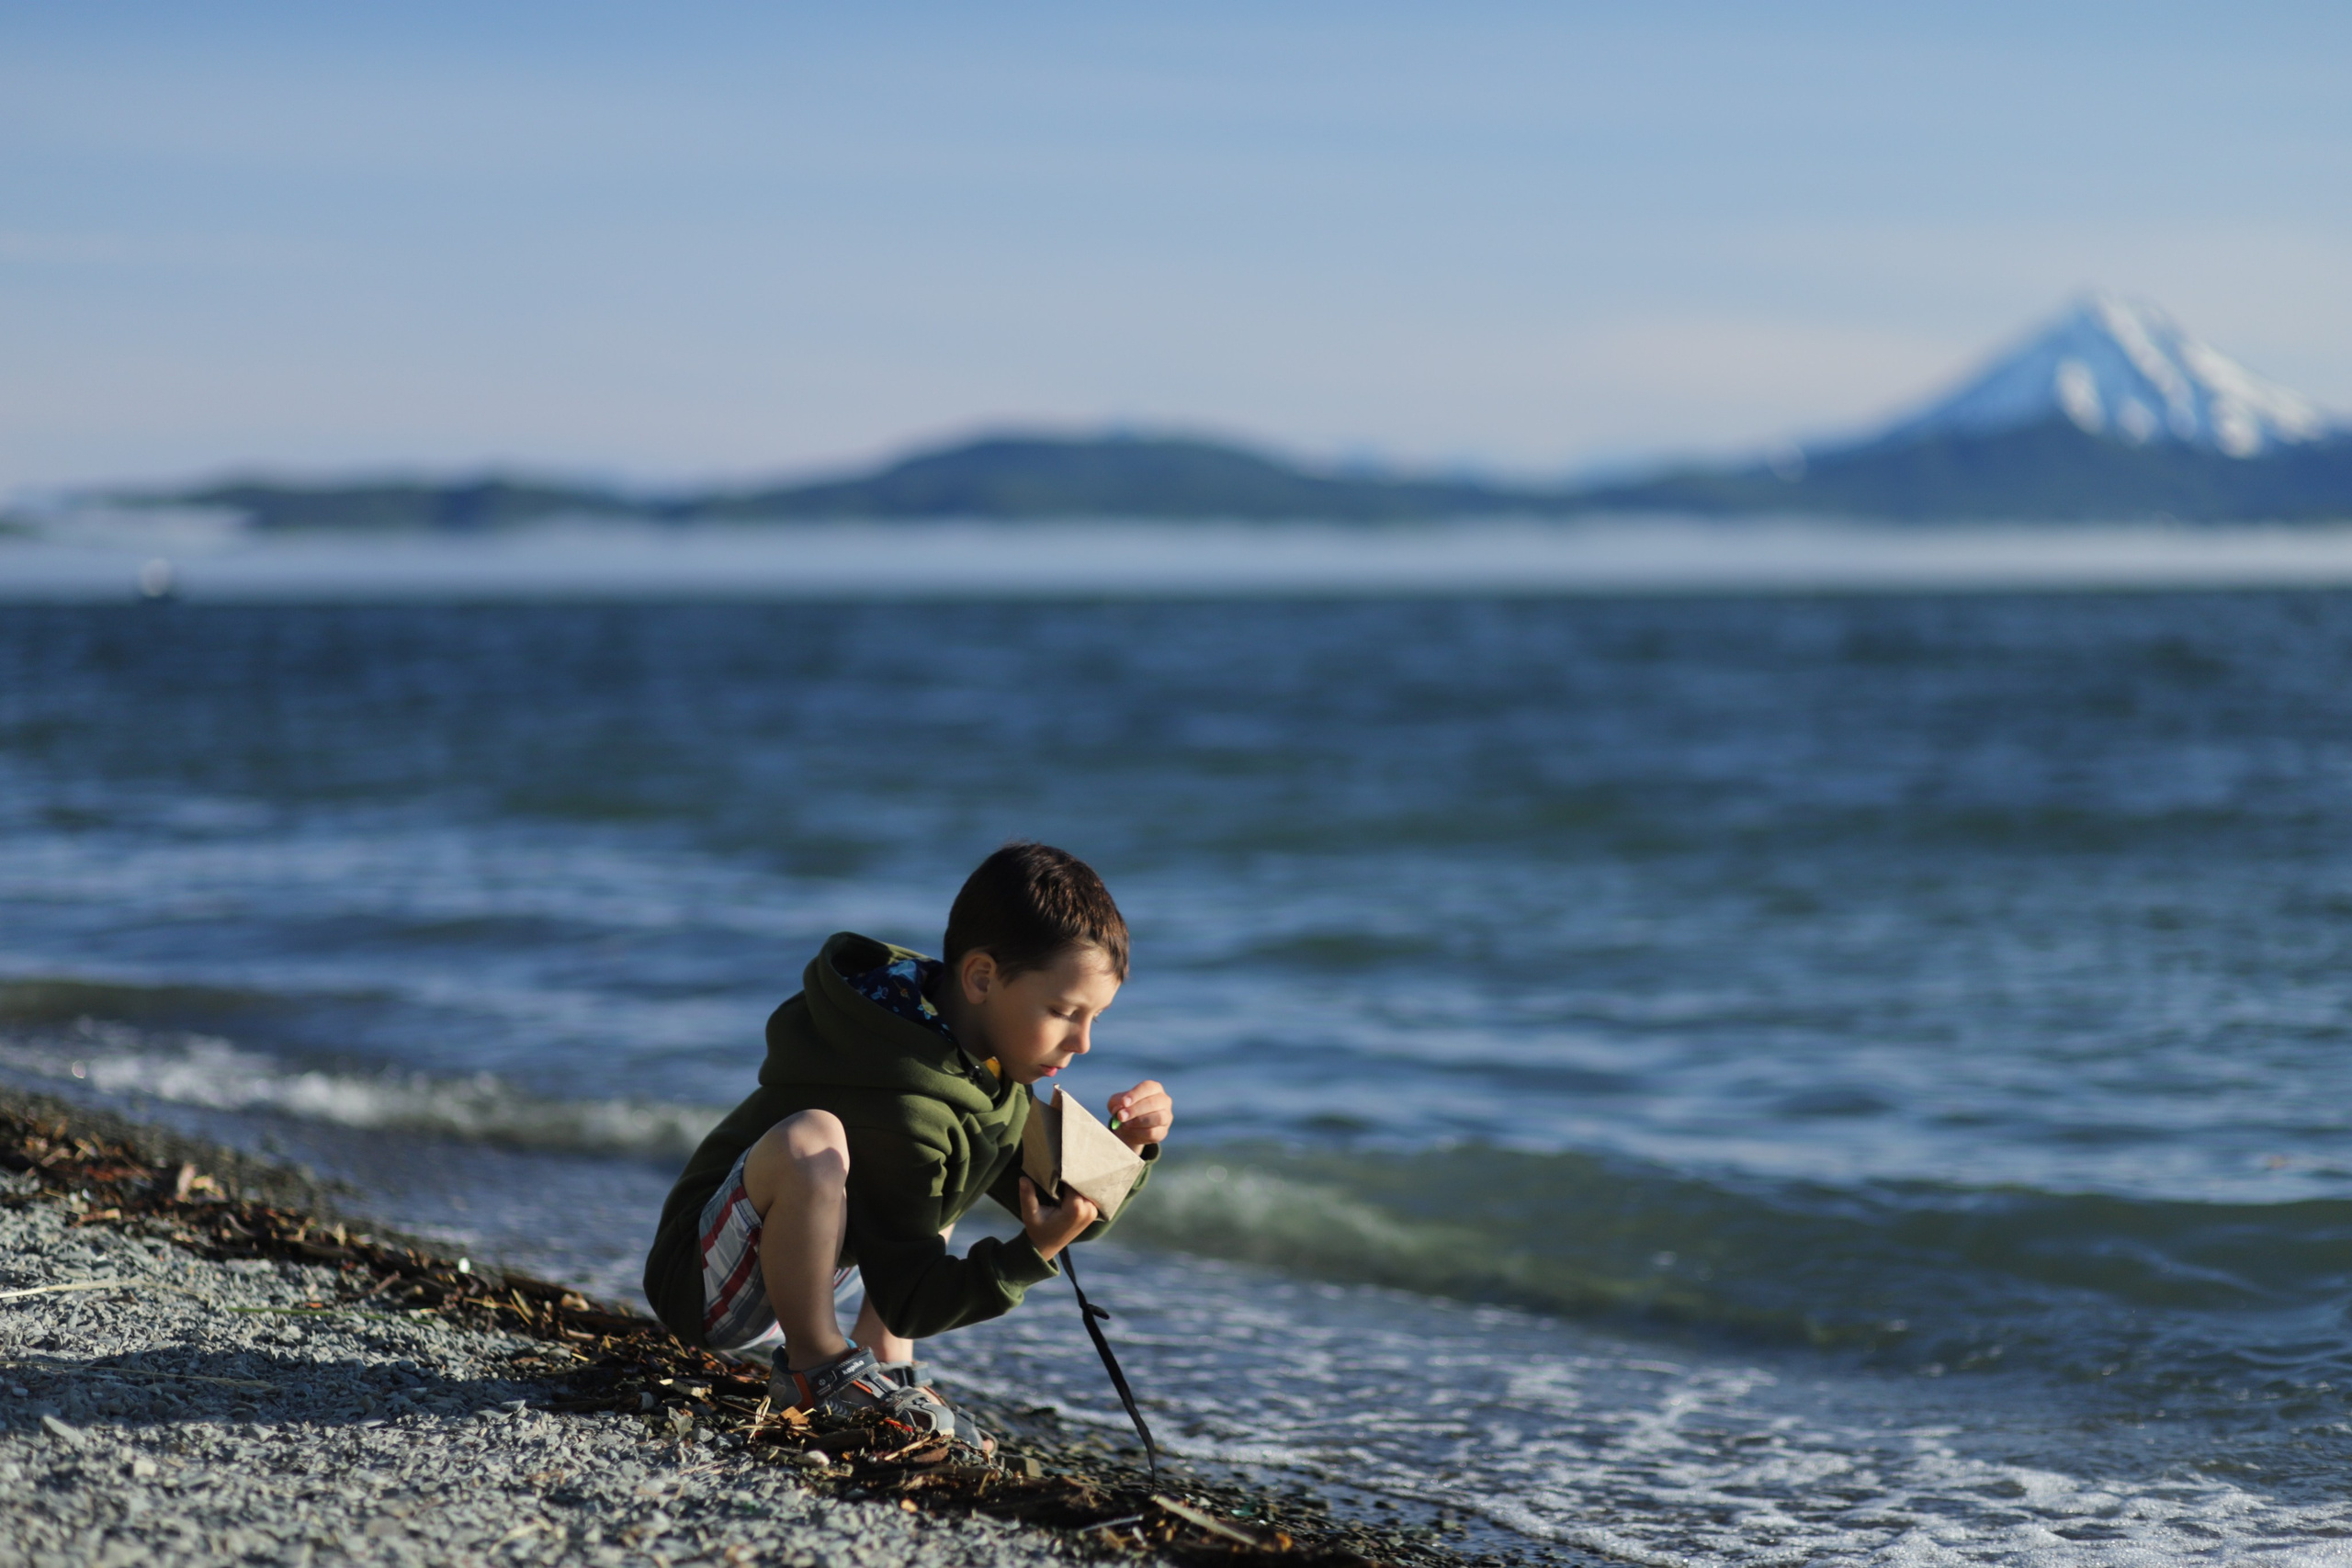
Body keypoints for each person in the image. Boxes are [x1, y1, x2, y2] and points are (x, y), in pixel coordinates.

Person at [640, 841, 1171, 1450]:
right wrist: (1032, 1251)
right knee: (812, 1139)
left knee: (956, 1161)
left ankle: (881, 1351)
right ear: (981, 978)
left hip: (798, 1271)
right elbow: (914, 1298)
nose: (1081, 1042)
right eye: (1061, 1010)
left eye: (1094, 1018)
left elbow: (1066, 1203)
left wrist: (1126, 1150)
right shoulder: (906, 1095)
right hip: (705, 1283)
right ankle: (817, 1366)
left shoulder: (984, 1064)